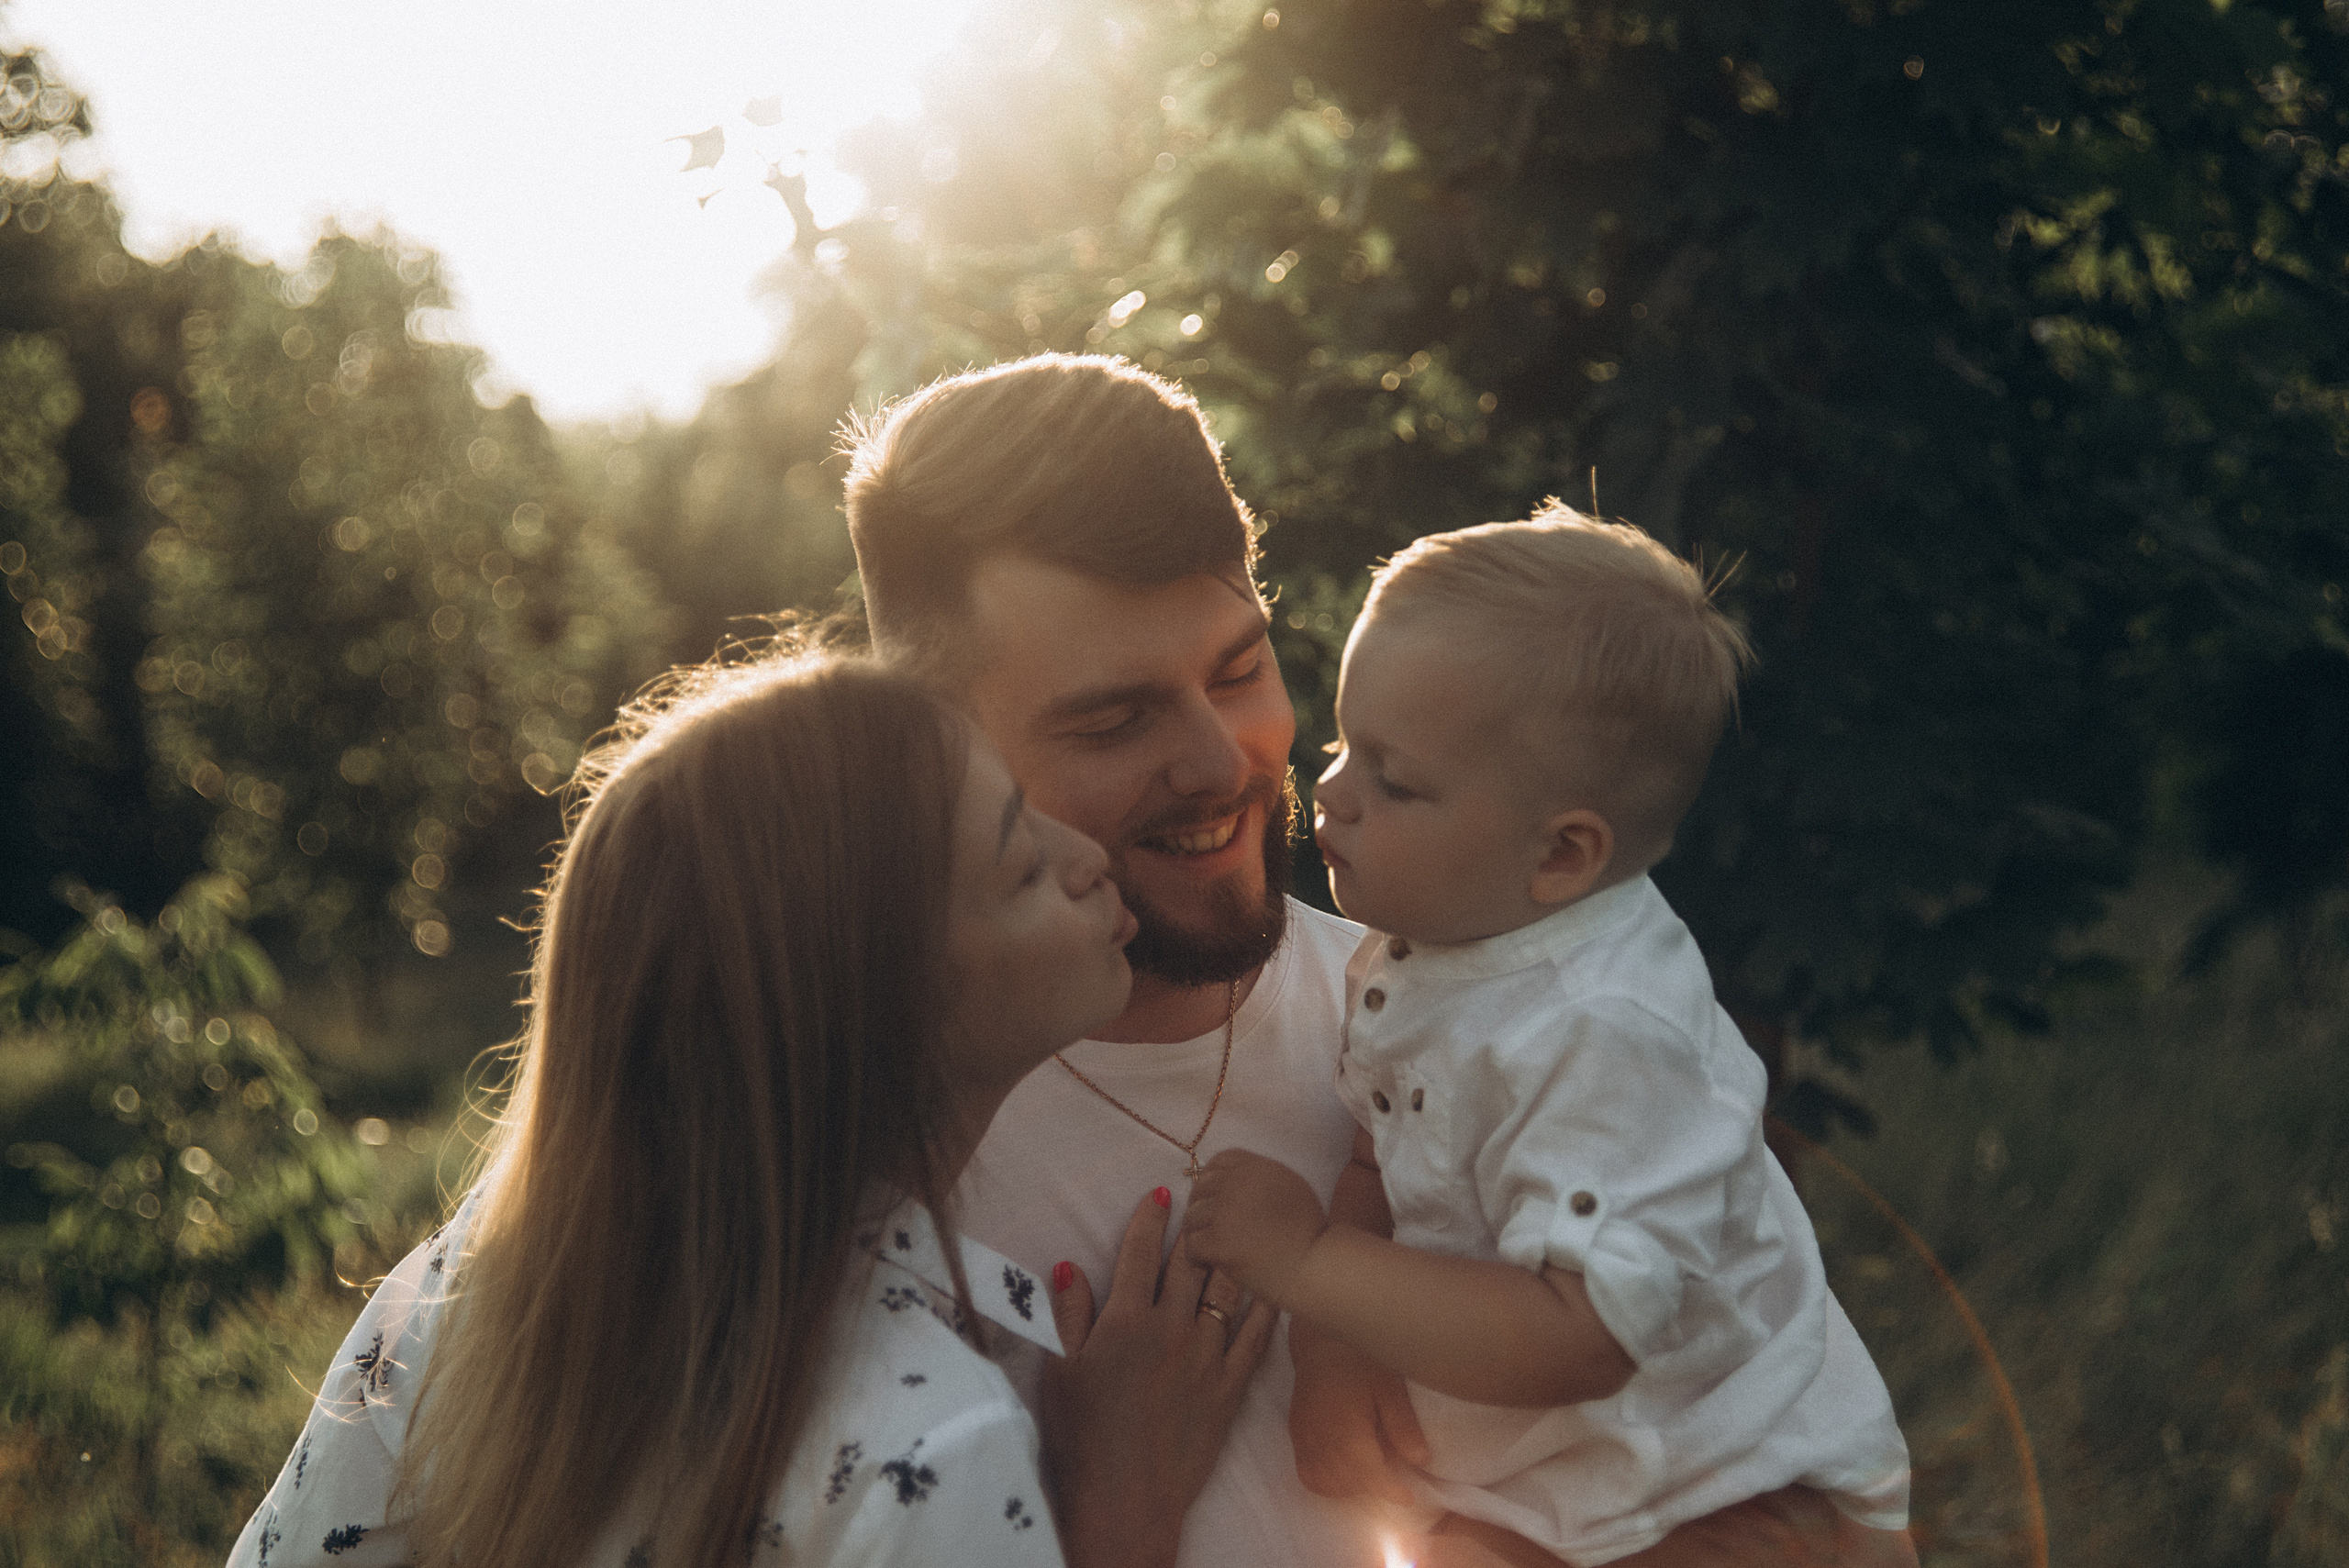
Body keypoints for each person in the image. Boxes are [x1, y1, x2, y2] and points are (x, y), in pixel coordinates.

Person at [842, 353, 1905, 1568]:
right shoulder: (885, 1197)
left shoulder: (1501, 1017)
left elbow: (1801, 1493)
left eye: (1240, 668)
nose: (1223, 759)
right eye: (1113, 719)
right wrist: (1107, 1524)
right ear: (937, 747)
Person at [225, 651, 1274, 1568]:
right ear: (877, 1012)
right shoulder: (927, 1444)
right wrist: (1109, 1526)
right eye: (1019, 862)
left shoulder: (458, 1297)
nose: (1084, 855)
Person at [1180, 512, 1916, 1565]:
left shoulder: (1604, 1031)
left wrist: (1306, 1264)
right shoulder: (1438, 945)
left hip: (1725, 1497)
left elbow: (1579, 1337)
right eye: (1346, 742)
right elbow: (1373, 1149)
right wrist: (1332, 1348)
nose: (1332, 789)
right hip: (1574, 1489)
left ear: (1562, 853)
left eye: (1395, 776)